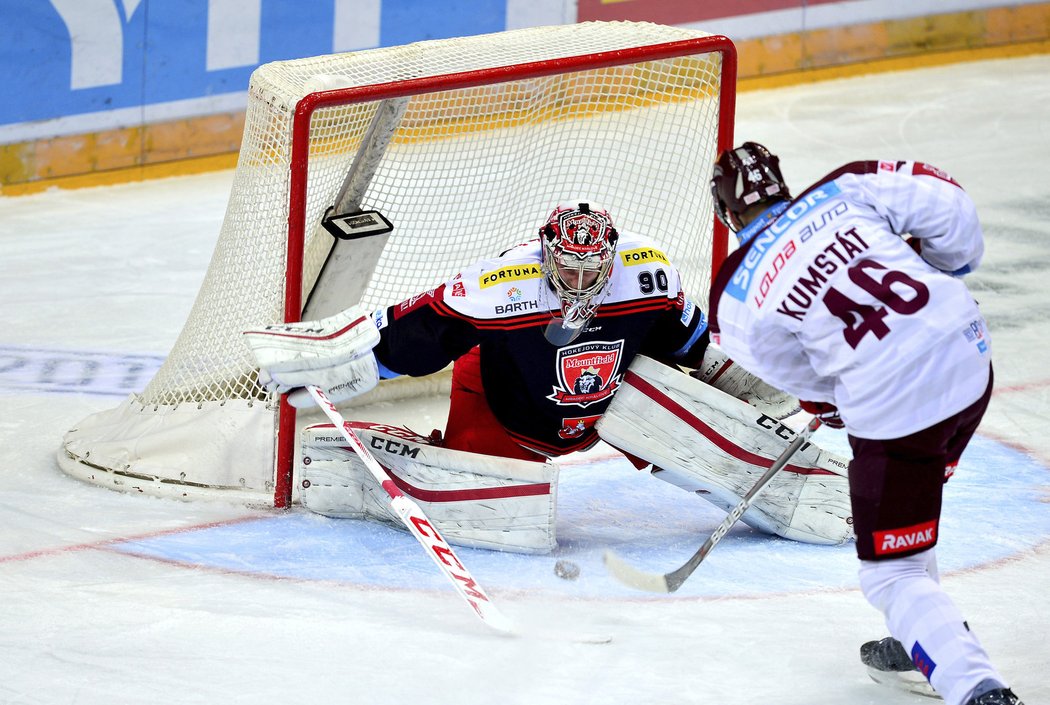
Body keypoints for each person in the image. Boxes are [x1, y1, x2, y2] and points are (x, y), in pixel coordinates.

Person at [244, 202, 852, 552]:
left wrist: (778, 393)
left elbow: (696, 348)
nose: (582, 282)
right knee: (506, 521)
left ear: (611, 258)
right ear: (545, 256)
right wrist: (338, 369)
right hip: (503, 401)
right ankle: (382, 459)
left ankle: (794, 485)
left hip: (613, 406)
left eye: (595, 270)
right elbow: (408, 337)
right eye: (569, 268)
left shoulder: (649, 275)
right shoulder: (496, 286)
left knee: (674, 410)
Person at [708, 142, 1023, 705]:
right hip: (969, 358)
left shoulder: (734, 291)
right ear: (782, 183)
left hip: (899, 413)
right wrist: (943, 269)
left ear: (728, 215)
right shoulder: (846, 186)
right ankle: (922, 635)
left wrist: (832, 399)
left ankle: (977, 688)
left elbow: (791, 373)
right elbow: (954, 212)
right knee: (914, 497)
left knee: (890, 575)